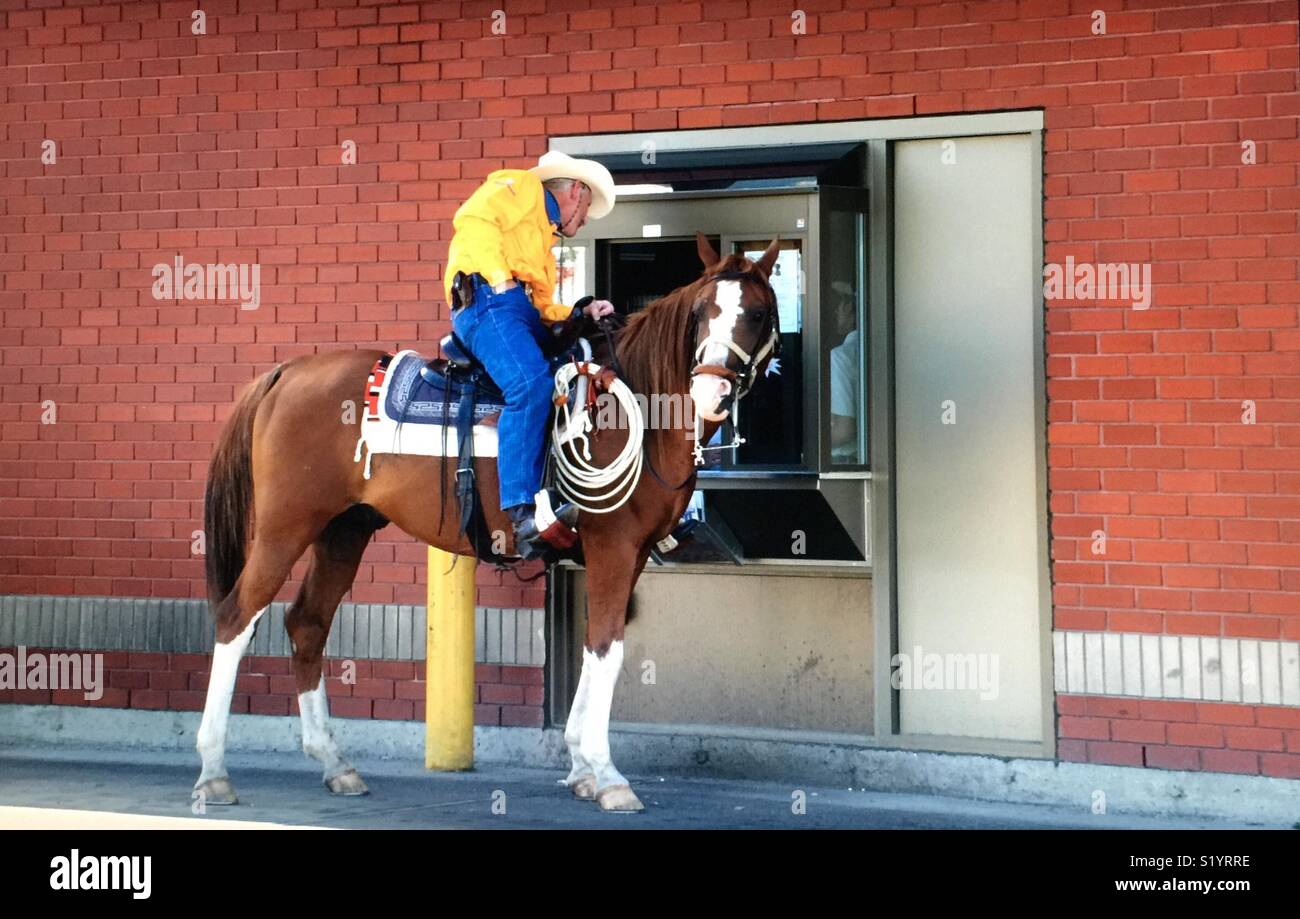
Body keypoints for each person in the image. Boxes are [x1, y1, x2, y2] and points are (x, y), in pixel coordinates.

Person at [443, 151, 617, 559]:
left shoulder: (545, 237)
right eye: (588, 207)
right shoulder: (522, 186)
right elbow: (473, 221)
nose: (586, 218)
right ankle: (522, 515)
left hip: (514, 310)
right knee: (529, 385)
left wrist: (580, 313)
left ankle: (558, 492)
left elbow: (541, 307)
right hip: (486, 302)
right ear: (575, 192)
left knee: (569, 380)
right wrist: (500, 278)